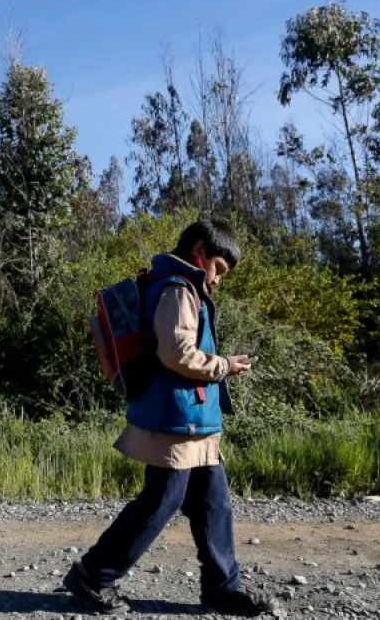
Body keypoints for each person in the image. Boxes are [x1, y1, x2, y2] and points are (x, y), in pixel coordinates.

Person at [64, 219, 273, 617]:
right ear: (199, 253)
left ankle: (223, 589)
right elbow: (176, 354)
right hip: (177, 419)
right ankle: (92, 576)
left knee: (214, 504)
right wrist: (224, 366)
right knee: (160, 502)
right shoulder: (178, 290)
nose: (218, 280)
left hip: (192, 420)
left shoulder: (178, 286)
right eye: (219, 269)